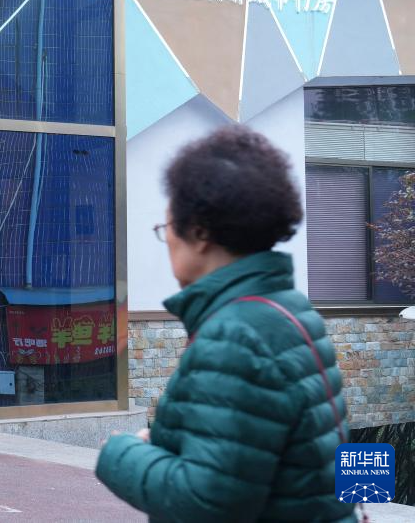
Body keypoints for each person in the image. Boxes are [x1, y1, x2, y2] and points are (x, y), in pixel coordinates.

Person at [96, 126, 356, 522]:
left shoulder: (234, 336)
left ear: (199, 232)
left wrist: (121, 454)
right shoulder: (288, 308)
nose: (167, 242)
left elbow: (208, 504)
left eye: (167, 229)